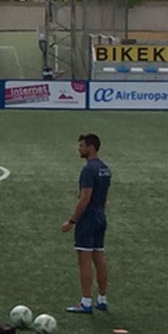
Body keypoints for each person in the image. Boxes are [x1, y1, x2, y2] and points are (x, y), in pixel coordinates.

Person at [62, 133, 112, 313]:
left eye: (82, 146)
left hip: (88, 219)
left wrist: (72, 221)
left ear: (91, 147)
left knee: (84, 260)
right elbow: (105, 197)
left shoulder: (88, 170)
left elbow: (85, 197)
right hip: (100, 217)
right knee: (99, 258)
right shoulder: (105, 168)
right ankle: (102, 299)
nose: (79, 149)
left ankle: (85, 302)